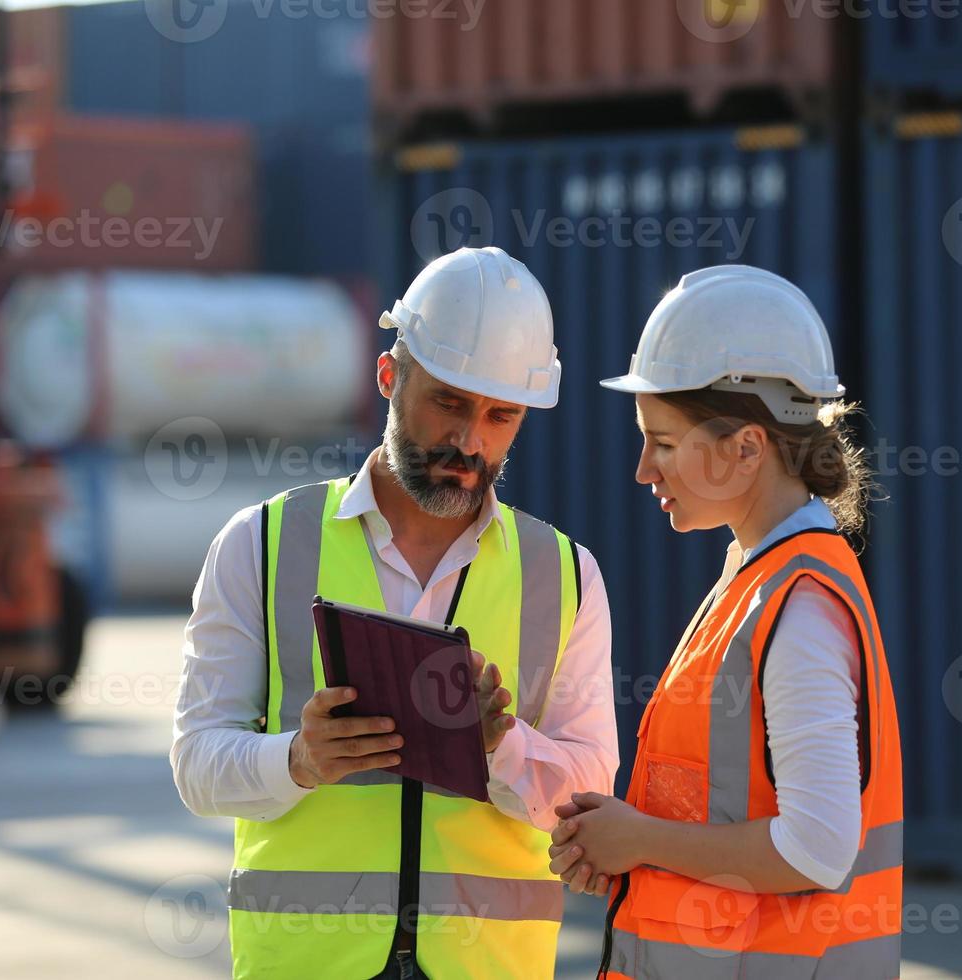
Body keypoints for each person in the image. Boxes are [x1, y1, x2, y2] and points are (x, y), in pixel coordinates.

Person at [171, 246, 617, 980]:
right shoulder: (262, 544)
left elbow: (590, 793)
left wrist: (499, 748)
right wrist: (297, 760)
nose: (470, 442)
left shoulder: (565, 575)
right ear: (389, 377)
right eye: (448, 403)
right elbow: (196, 764)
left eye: (501, 416)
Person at [549, 266, 902, 978]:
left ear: (747, 449)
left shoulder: (798, 607)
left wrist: (641, 841)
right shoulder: (754, 583)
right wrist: (619, 852)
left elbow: (816, 848)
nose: (644, 469)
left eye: (666, 443)